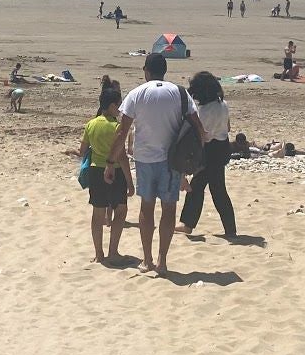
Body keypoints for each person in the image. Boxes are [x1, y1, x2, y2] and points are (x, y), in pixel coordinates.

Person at [107, 52, 203, 276]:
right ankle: (162, 261)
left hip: (145, 159)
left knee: (146, 208)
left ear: (146, 71)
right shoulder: (180, 92)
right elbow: (198, 127)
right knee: (168, 209)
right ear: (165, 70)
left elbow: (122, 131)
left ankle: (147, 259)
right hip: (172, 160)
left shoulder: (136, 93)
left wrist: (110, 161)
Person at [178, 71, 236, 238]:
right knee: (215, 189)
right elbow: (228, 127)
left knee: (200, 187)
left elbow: (202, 136)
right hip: (222, 147)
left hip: (210, 150)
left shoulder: (205, 111)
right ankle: (230, 229)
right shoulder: (223, 104)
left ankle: (188, 224)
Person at [80, 77, 131, 263]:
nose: (120, 109)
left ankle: (98, 254)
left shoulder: (91, 124)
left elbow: (82, 150)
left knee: (98, 213)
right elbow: (122, 156)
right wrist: (130, 182)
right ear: (111, 106)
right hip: (114, 171)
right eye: (118, 105)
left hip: (95, 171)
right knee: (121, 210)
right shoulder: (117, 127)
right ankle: (113, 252)